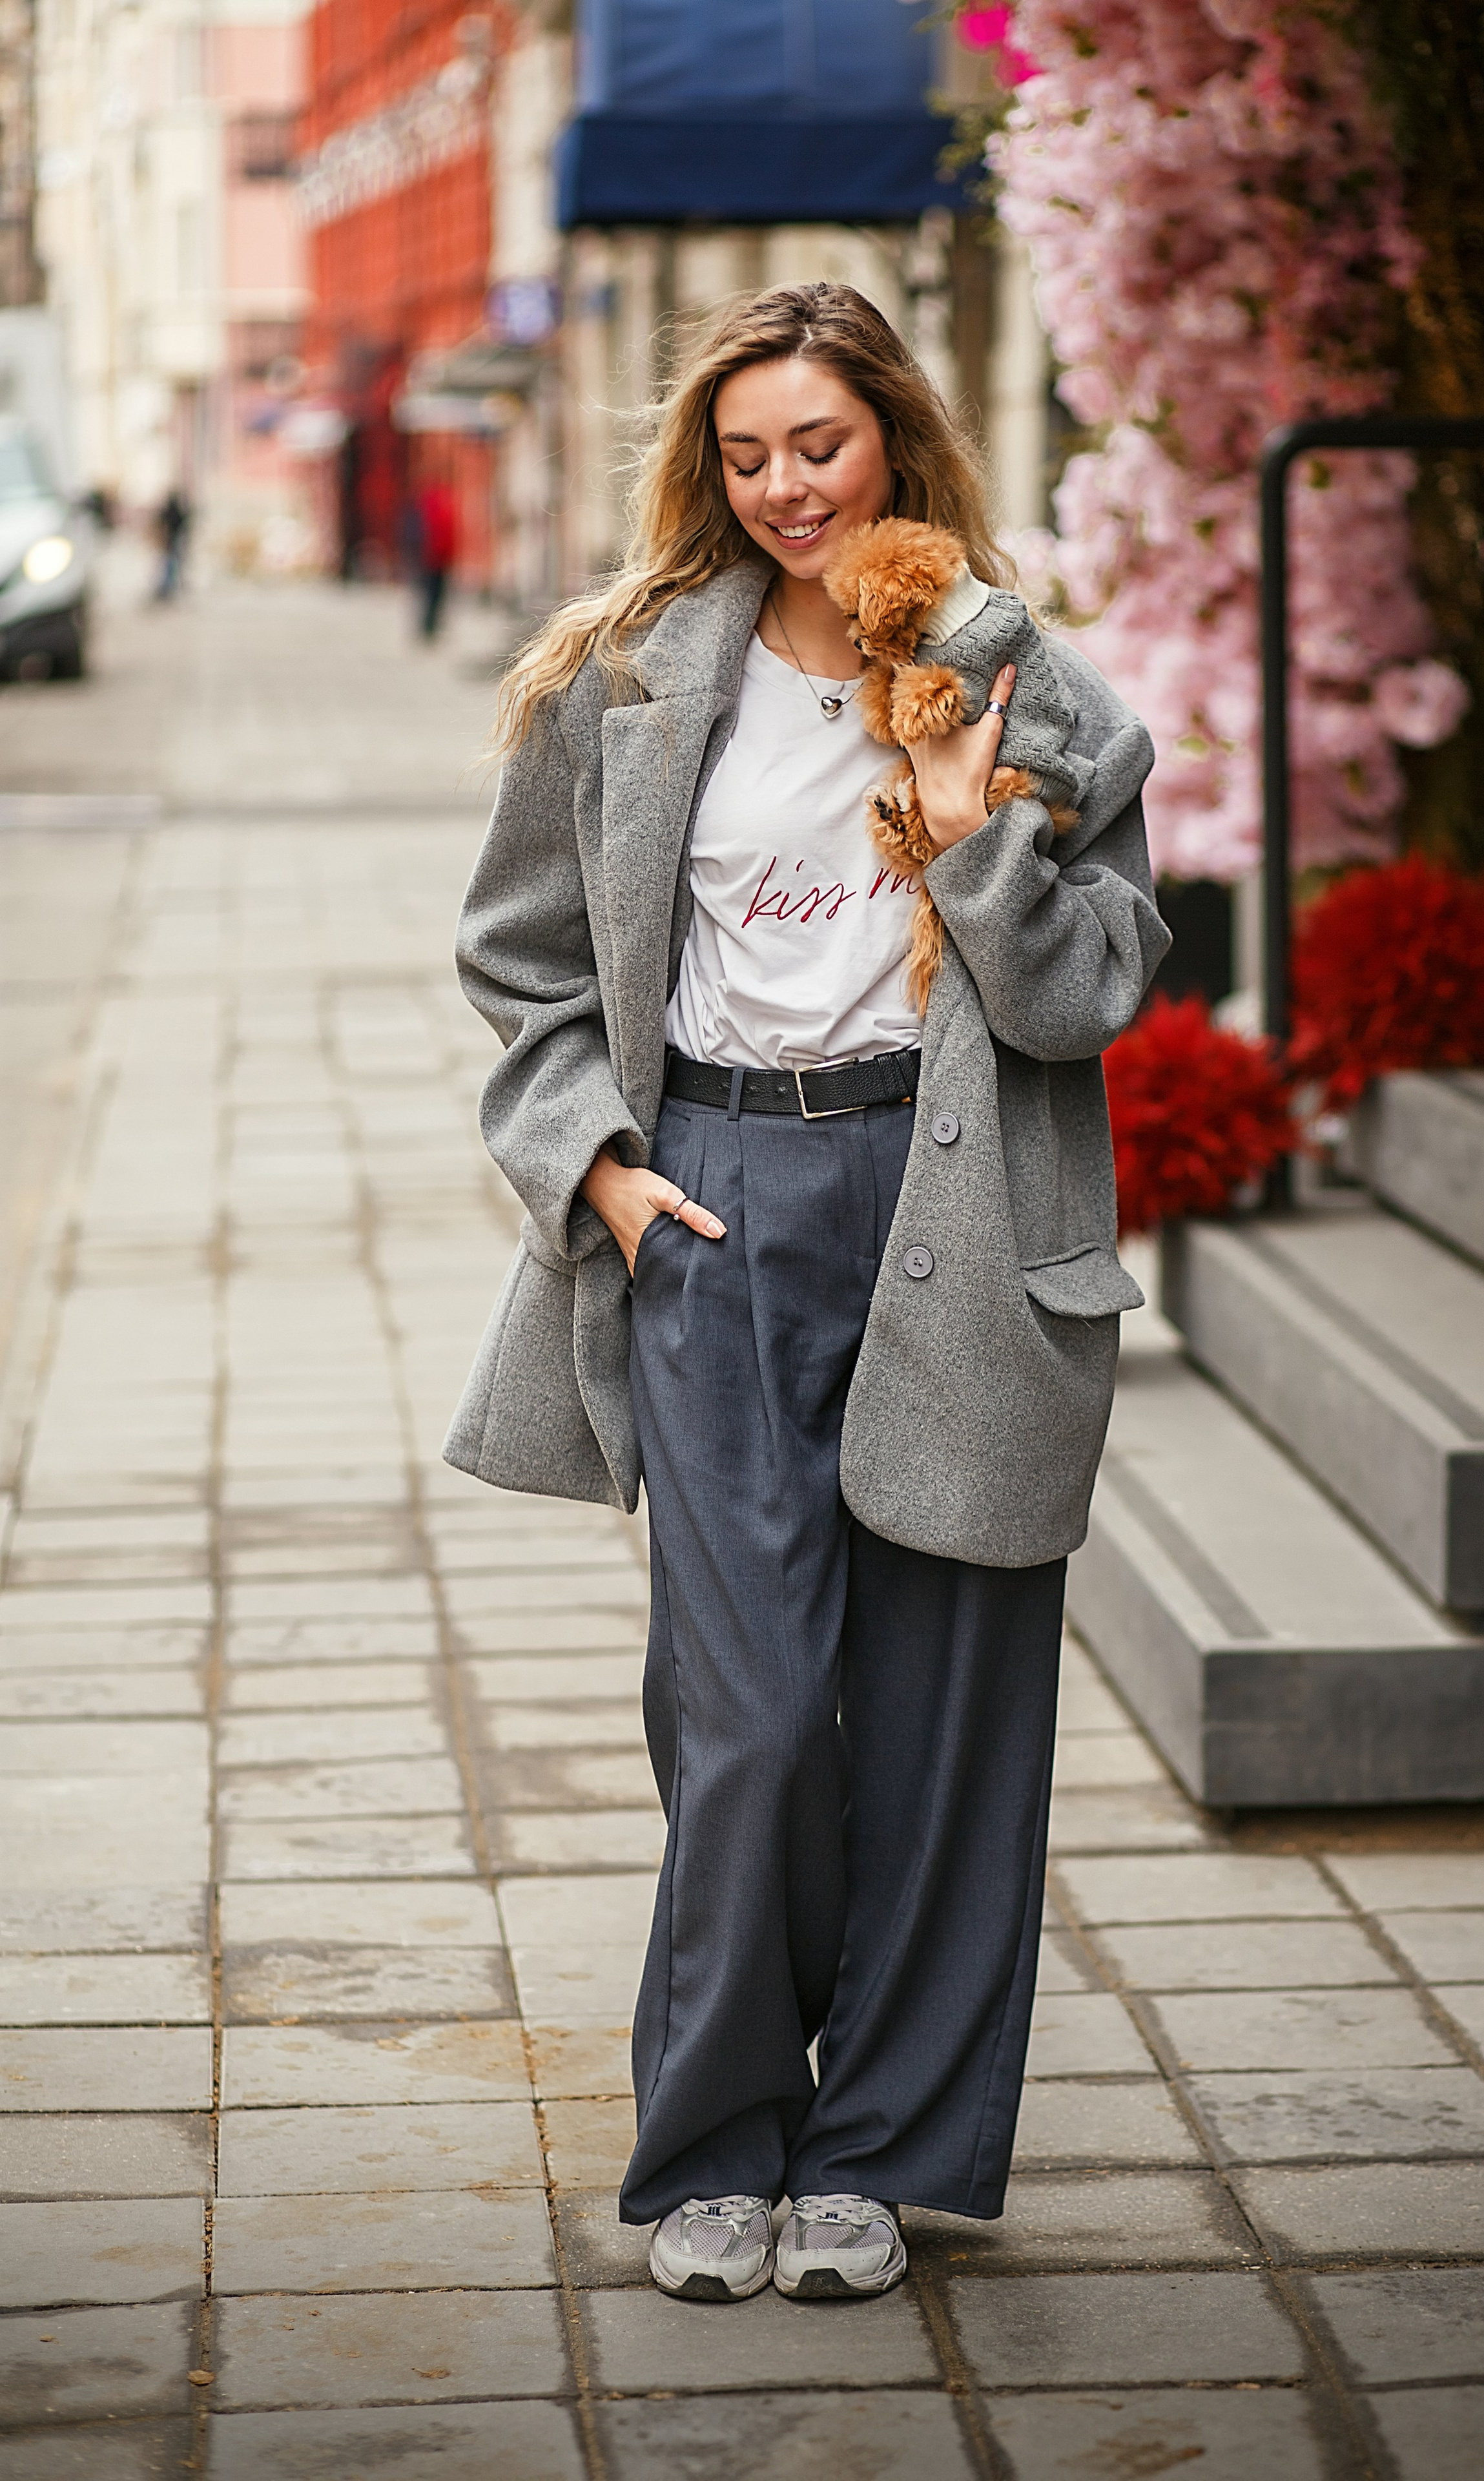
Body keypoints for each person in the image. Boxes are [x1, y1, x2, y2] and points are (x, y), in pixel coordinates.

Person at [444, 283, 1168, 2305]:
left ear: (898, 450)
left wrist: (971, 848)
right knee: (751, 1711)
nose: (783, 487)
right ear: (707, 463)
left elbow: (1093, 987)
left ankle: (880, 2151)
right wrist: (592, 1159)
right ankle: (716, 2140)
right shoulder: (623, 681)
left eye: (820, 447)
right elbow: (517, 961)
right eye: (746, 452)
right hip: (715, 1198)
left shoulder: (1027, 692)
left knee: (947, 1709)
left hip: (951, 1189)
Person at [412, 475, 457, 638]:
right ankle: (430, 626)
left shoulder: (428, 506)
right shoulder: (441, 506)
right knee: (434, 595)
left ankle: (429, 626)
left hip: (432, 559)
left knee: (429, 594)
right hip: (436, 559)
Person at [153, 488, 189, 601]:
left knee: (169, 565)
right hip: (173, 542)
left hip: (171, 542)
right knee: (170, 565)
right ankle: (167, 588)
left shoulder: (170, 512)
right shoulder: (175, 511)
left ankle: (167, 588)